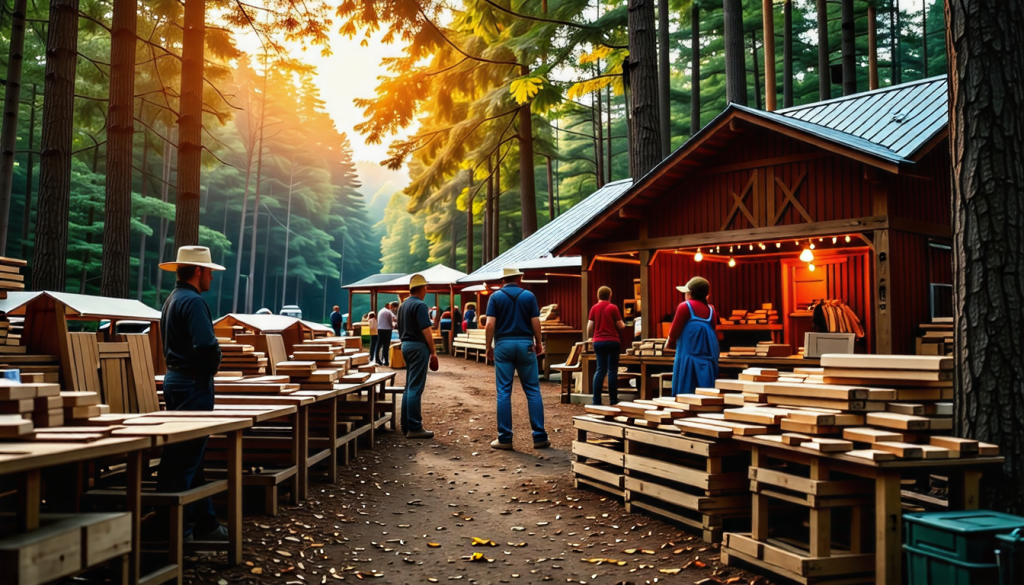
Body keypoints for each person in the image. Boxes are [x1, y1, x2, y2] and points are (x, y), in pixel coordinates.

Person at [157, 246, 227, 541]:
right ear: (198, 271)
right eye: (209, 270)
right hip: (192, 384)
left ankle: (206, 523)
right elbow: (206, 346)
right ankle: (176, 531)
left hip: (174, 380)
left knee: (190, 456)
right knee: (184, 460)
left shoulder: (172, 300)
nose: (212, 275)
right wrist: (213, 367)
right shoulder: (194, 301)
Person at [485, 267, 549, 450]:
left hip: (503, 345)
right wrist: (538, 342)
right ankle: (539, 437)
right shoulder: (528, 296)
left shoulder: (495, 297)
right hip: (525, 345)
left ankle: (505, 438)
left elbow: (490, 324)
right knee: (533, 391)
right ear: (519, 278)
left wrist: (488, 346)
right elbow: (535, 321)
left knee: (504, 391)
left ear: (503, 280)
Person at [398, 275, 438, 439]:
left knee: (409, 386)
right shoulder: (421, 305)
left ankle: (405, 424)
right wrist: (433, 351)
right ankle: (415, 426)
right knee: (415, 387)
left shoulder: (403, 305)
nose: (426, 291)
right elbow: (426, 330)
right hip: (418, 346)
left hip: (405, 345)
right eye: (426, 288)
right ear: (422, 289)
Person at [666, 276, 720, 396]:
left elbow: (673, 333)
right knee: (706, 396)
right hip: (708, 362)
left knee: (686, 394)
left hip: (687, 361)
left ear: (690, 293)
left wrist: (669, 345)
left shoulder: (685, 306)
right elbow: (713, 329)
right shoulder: (711, 310)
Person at [588, 286, 626, 405]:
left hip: (598, 342)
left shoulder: (594, 308)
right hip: (612, 341)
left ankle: (596, 400)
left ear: (598, 296)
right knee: (612, 371)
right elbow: (621, 326)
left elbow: (589, 326)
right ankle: (613, 400)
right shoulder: (613, 308)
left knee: (600, 369)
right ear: (610, 295)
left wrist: (590, 337)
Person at [377, 301, 396, 366]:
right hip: (387, 330)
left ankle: (377, 358)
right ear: (388, 306)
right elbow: (391, 321)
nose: (392, 308)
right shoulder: (389, 312)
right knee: (386, 345)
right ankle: (386, 361)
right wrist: (393, 326)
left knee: (379, 344)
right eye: (391, 306)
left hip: (380, 329)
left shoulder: (381, 311)